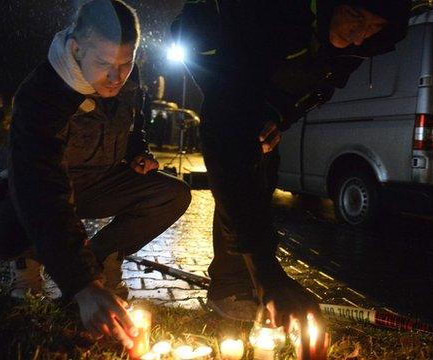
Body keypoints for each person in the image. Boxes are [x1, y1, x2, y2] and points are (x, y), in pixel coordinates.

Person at [171, 0, 410, 329]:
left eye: (373, 27)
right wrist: (269, 273)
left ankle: (243, 279)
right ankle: (231, 285)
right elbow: (225, 136)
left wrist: (275, 115)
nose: (360, 36)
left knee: (262, 158)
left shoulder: (356, 46)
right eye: (356, 16)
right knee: (241, 159)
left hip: (261, 77)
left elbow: (307, 89)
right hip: (214, 50)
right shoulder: (269, 15)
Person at [0, 0, 191, 347]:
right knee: (6, 228)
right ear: (75, 49)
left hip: (99, 180)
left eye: (126, 62)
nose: (117, 77)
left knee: (171, 194)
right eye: (104, 64)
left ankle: (99, 258)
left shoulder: (128, 78)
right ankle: (28, 265)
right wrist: (83, 286)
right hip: (38, 187)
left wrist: (138, 153)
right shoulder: (43, 92)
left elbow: (133, 127)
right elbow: (41, 186)